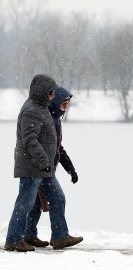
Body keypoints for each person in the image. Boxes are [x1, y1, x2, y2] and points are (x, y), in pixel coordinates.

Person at [4, 74, 82, 252]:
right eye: (51, 92)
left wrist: (67, 168)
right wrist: (43, 161)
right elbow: (30, 140)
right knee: (25, 203)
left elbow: (55, 145)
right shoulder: (31, 109)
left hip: (44, 168)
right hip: (33, 167)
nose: (53, 96)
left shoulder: (43, 109)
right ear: (42, 92)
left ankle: (60, 237)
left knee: (57, 198)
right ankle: (13, 240)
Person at [23, 86, 79, 248]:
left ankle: (29, 235)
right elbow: (38, 145)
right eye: (63, 102)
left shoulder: (55, 119)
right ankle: (60, 236)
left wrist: (71, 169)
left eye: (68, 103)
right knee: (57, 199)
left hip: (43, 168)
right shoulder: (48, 120)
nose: (65, 106)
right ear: (54, 101)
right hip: (41, 168)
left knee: (34, 203)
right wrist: (43, 166)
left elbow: (58, 148)